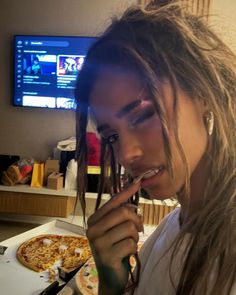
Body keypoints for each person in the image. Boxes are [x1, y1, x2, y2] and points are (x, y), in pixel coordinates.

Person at [75, 0, 236, 294]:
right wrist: (111, 286)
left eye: (143, 115)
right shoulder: (172, 227)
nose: (126, 155)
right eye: (111, 136)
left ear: (203, 93)